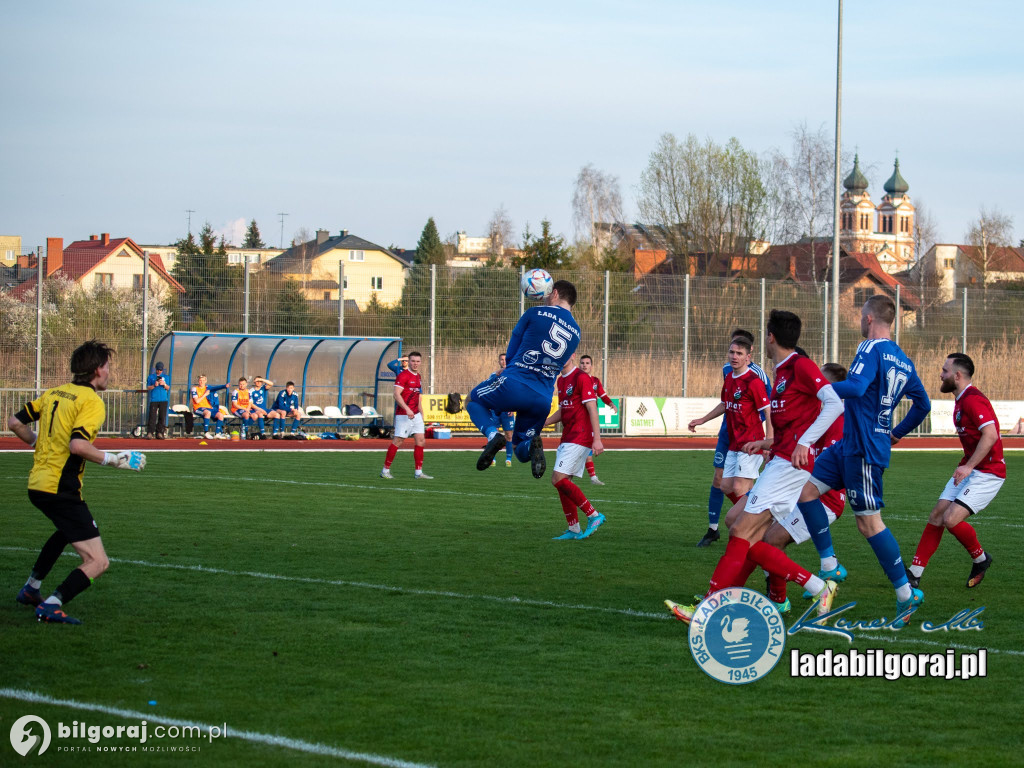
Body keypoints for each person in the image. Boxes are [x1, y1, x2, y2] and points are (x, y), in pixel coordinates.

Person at [665, 310, 844, 623]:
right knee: (737, 522)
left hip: (790, 466)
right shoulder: (782, 371)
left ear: (770, 337)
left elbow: (834, 403)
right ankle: (818, 587)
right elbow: (792, 424)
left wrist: (805, 442)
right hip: (779, 459)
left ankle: (710, 606)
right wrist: (766, 444)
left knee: (743, 531)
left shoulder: (799, 365)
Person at [795, 294, 931, 627]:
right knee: (807, 492)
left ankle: (905, 594)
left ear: (869, 319)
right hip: (849, 446)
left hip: (865, 451)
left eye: (861, 315)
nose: (859, 320)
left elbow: (855, 387)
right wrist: (895, 432)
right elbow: (923, 404)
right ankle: (829, 566)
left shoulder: (869, 348)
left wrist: (818, 389)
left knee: (869, 523)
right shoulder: (903, 360)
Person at [9, 340, 146, 624]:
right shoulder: (92, 402)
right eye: (108, 367)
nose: (109, 372)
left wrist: (39, 443)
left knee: (64, 531)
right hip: (61, 489)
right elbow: (78, 447)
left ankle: (31, 589)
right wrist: (116, 460)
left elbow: (14, 422)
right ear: (97, 370)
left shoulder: (53, 393)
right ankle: (52, 604)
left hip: (37, 484)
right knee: (98, 562)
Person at [906, 353, 1003, 590]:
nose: (941, 374)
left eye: (944, 371)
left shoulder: (972, 400)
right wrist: (967, 465)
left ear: (957, 376)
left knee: (950, 519)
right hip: (971, 468)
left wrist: (969, 466)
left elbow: (991, 435)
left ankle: (981, 558)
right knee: (937, 514)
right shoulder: (961, 399)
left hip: (988, 473)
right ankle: (915, 573)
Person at [466, 280, 581, 478]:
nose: (544, 298)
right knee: (520, 449)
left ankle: (493, 436)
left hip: (515, 383)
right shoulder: (576, 332)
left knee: (472, 400)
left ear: (554, 293)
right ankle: (531, 446)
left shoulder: (534, 313)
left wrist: (508, 367)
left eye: (547, 294)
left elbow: (514, 343)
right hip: (543, 397)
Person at [697, 329, 771, 547]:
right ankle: (719, 527)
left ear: (749, 355)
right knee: (723, 485)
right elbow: (726, 403)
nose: (733, 356)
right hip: (731, 438)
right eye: (731, 351)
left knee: (740, 487)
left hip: (751, 439)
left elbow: (767, 409)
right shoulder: (728, 374)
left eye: (739, 352)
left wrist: (768, 441)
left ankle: (758, 520)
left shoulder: (756, 378)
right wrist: (703, 419)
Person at [544, 354, 606, 539]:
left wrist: (597, 439)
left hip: (580, 436)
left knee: (557, 479)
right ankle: (574, 529)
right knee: (564, 483)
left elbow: (592, 408)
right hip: (568, 436)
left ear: (572, 356)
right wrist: (544, 423)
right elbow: (564, 409)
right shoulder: (561, 381)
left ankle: (594, 515)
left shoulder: (581, 377)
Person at [380, 351, 432, 479]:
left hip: (416, 414)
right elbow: (396, 394)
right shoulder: (403, 376)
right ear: (408, 361)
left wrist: (421, 412)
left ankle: (418, 473)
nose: (415, 363)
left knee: (420, 440)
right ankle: (385, 470)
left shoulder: (418, 376)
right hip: (404, 414)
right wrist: (407, 409)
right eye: (413, 361)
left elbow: (417, 397)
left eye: (418, 361)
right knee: (398, 441)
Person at [578, 354, 615, 485]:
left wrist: (611, 403)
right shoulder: (575, 379)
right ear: (579, 365)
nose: (584, 365)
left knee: (587, 451)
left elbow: (602, 395)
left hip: (589, 420)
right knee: (581, 449)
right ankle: (591, 477)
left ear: (591, 366)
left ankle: (592, 478)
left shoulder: (595, 381)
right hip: (578, 420)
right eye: (582, 363)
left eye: (587, 363)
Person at [191, 374, 227, 439]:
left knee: (220, 415)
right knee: (207, 413)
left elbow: (216, 388)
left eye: (203, 380)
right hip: (198, 408)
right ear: (198, 381)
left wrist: (224, 386)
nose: (201, 382)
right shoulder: (195, 389)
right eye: (200, 380)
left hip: (208, 408)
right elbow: (197, 401)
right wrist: (205, 394)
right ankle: (206, 432)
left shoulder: (208, 388)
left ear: (206, 381)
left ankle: (217, 433)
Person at [145, 361, 170, 439]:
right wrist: (154, 385)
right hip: (154, 399)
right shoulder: (151, 377)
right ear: (155, 369)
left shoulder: (166, 377)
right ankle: (150, 432)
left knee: (162, 417)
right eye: (158, 370)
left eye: (160, 370)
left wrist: (164, 384)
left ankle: (160, 432)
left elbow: (168, 388)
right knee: (152, 416)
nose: (159, 371)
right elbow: (148, 387)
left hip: (163, 399)